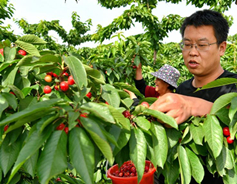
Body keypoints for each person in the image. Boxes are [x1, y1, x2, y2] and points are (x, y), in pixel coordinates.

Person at [150, 9, 237, 184]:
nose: (192, 52)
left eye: (202, 45)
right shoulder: (182, 89)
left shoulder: (233, 85)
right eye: (187, 44)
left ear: (221, 48)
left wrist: (193, 106)